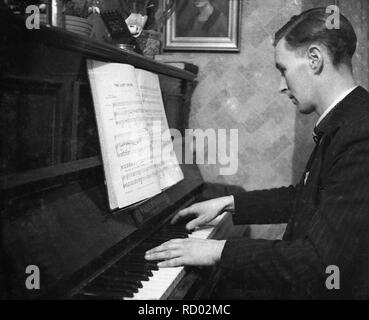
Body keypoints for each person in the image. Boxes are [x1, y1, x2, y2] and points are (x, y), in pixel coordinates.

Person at [145, 7, 369, 299]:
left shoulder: (359, 132)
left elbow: (320, 264)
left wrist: (217, 250)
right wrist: (228, 202)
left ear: (314, 59)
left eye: (283, 69)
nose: (280, 85)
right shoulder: (348, 119)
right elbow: (305, 198)